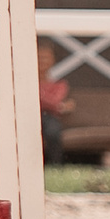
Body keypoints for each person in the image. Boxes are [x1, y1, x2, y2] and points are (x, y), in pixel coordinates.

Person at [35, 40, 72, 168]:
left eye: (46, 58)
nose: (42, 61)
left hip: (49, 116)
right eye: (39, 57)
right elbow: (55, 103)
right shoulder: (28, 82)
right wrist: (61, 106)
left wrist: (42, 97)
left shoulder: (60, 84)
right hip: (31, 114)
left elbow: (52, 102)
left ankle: (55, 166)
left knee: (53, 131)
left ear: (53, 60)